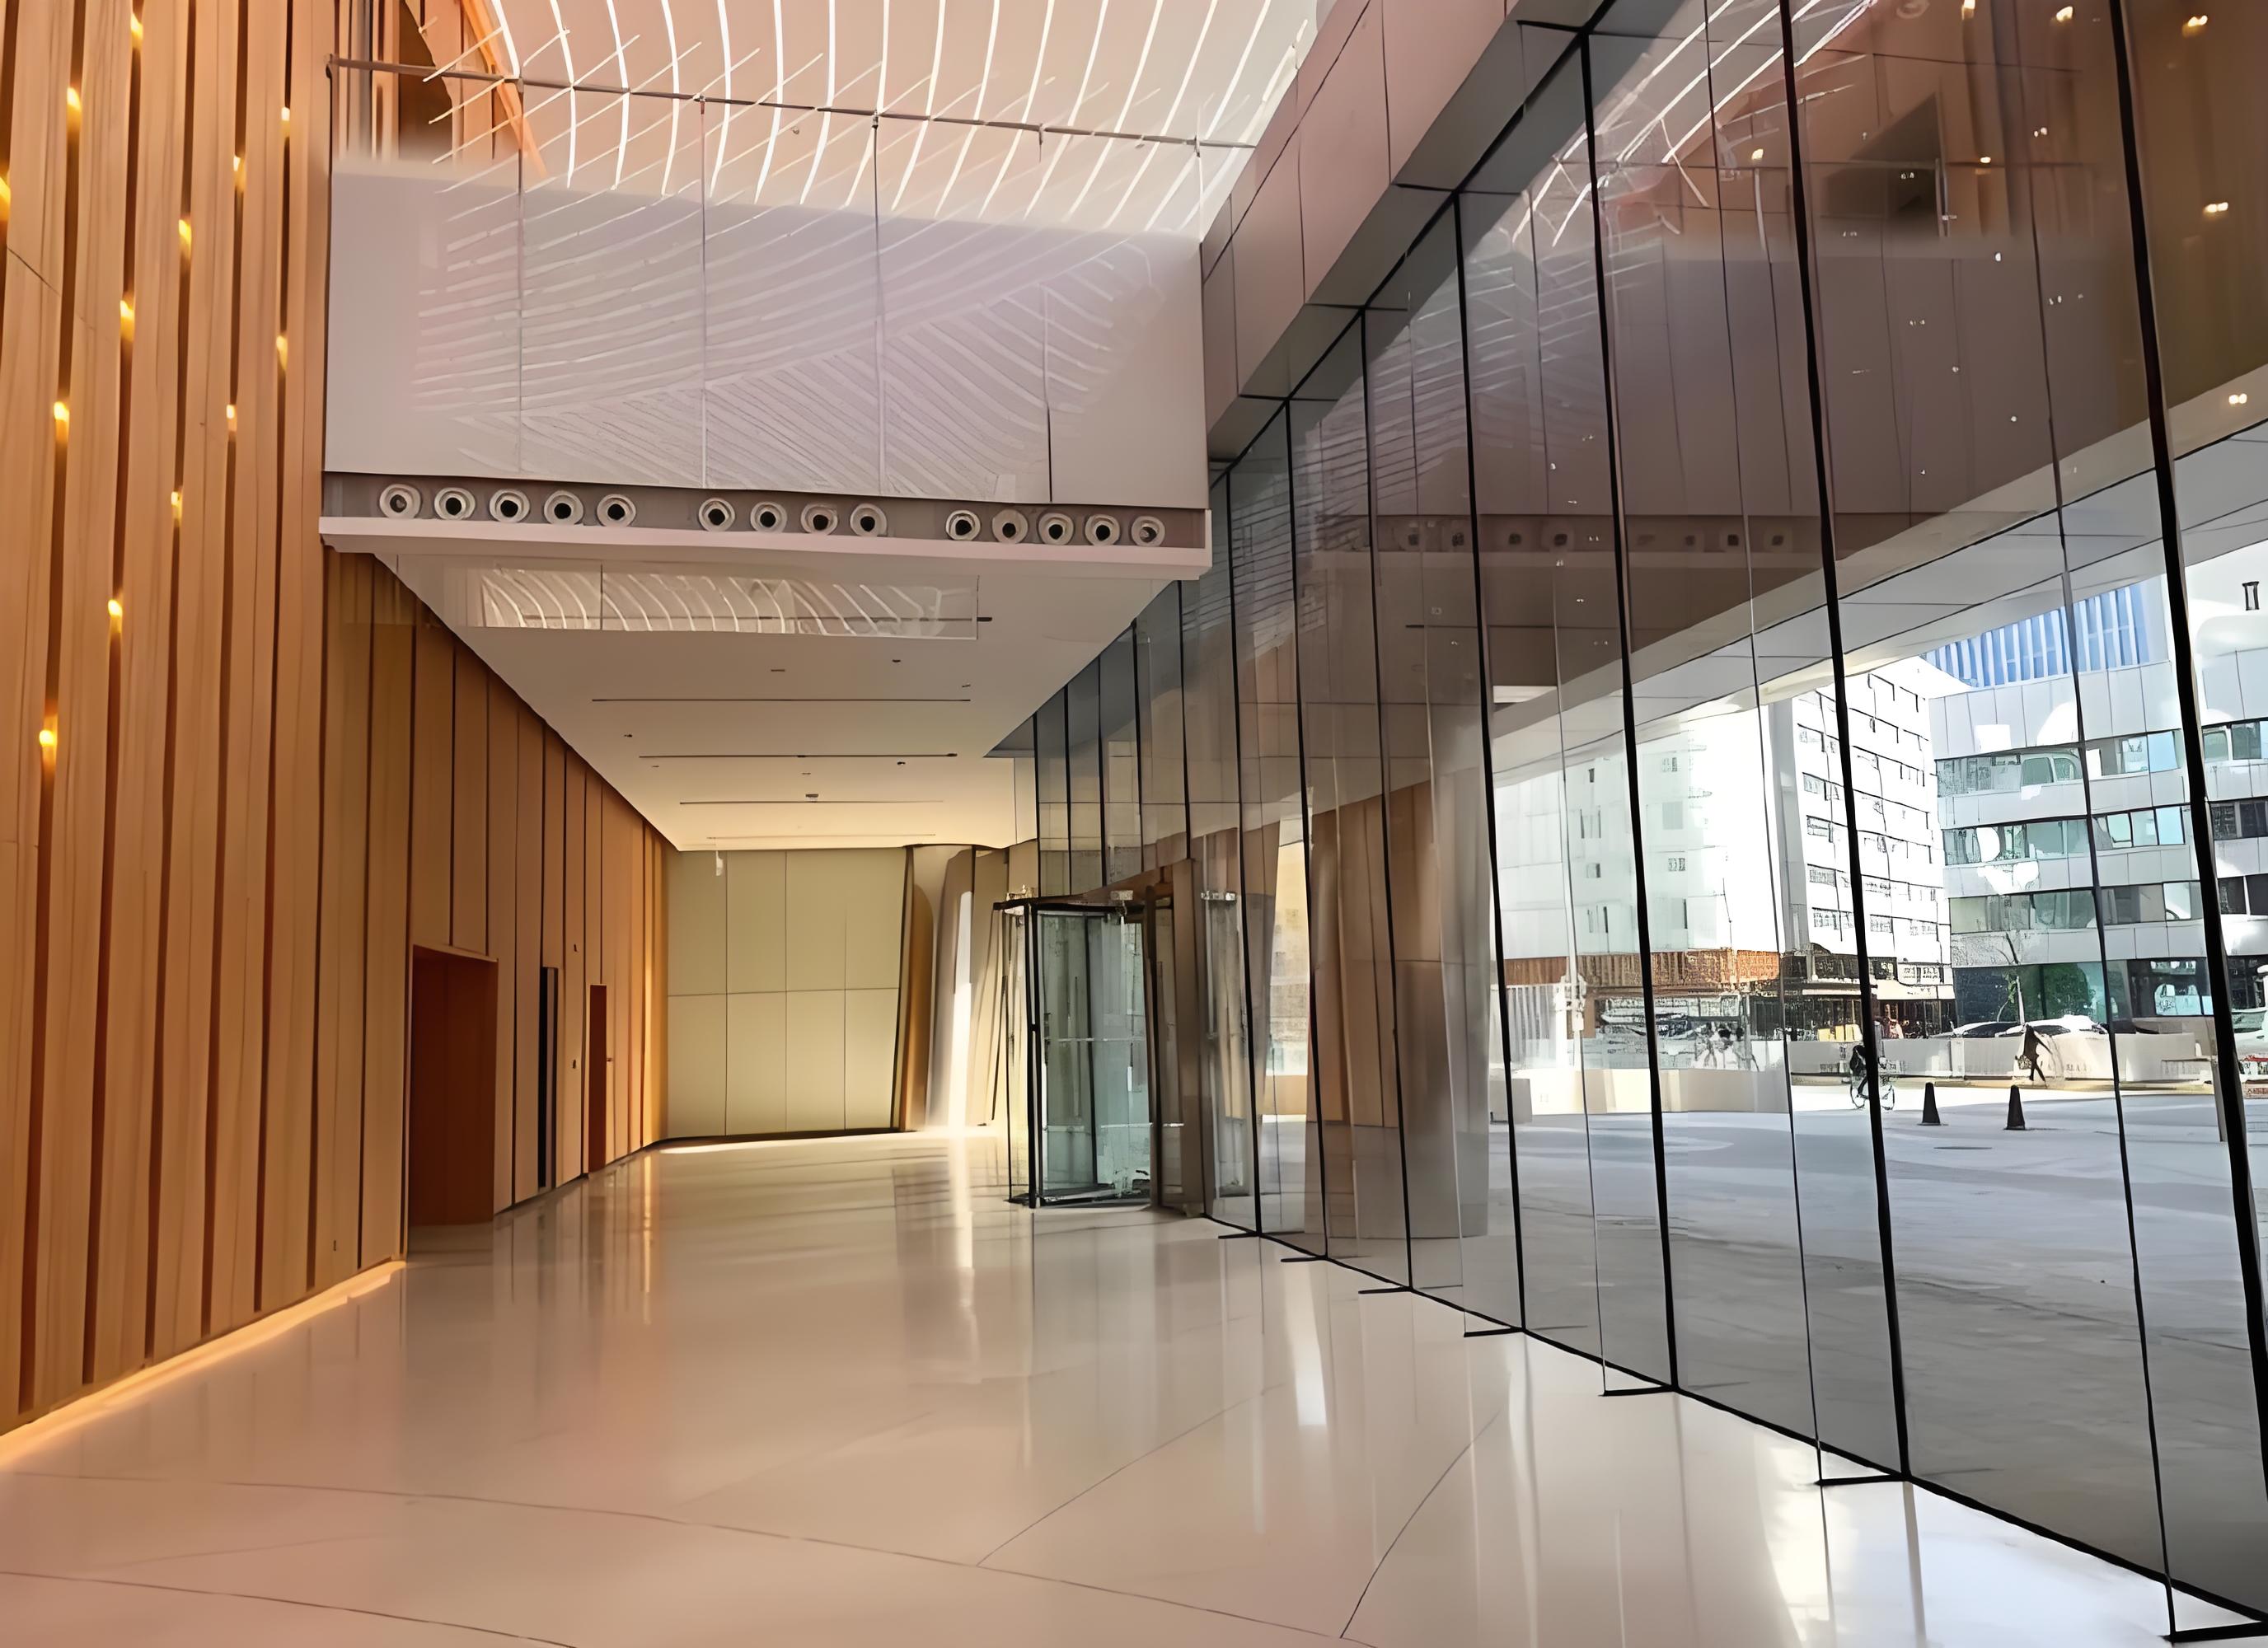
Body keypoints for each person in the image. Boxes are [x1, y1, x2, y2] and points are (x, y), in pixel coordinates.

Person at [2017, 1020, 2048, 1084]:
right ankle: (2040, 1079)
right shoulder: (2033, 1038)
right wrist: (2048, 1050)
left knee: (2035, 1067)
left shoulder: (2028, 1037)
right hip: (2032, 1055)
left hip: (2030, 1055)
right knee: (2036, 1067)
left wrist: (2023, 1053)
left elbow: (2025, 1045)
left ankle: (2032, 1077)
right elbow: (2042, 1044)